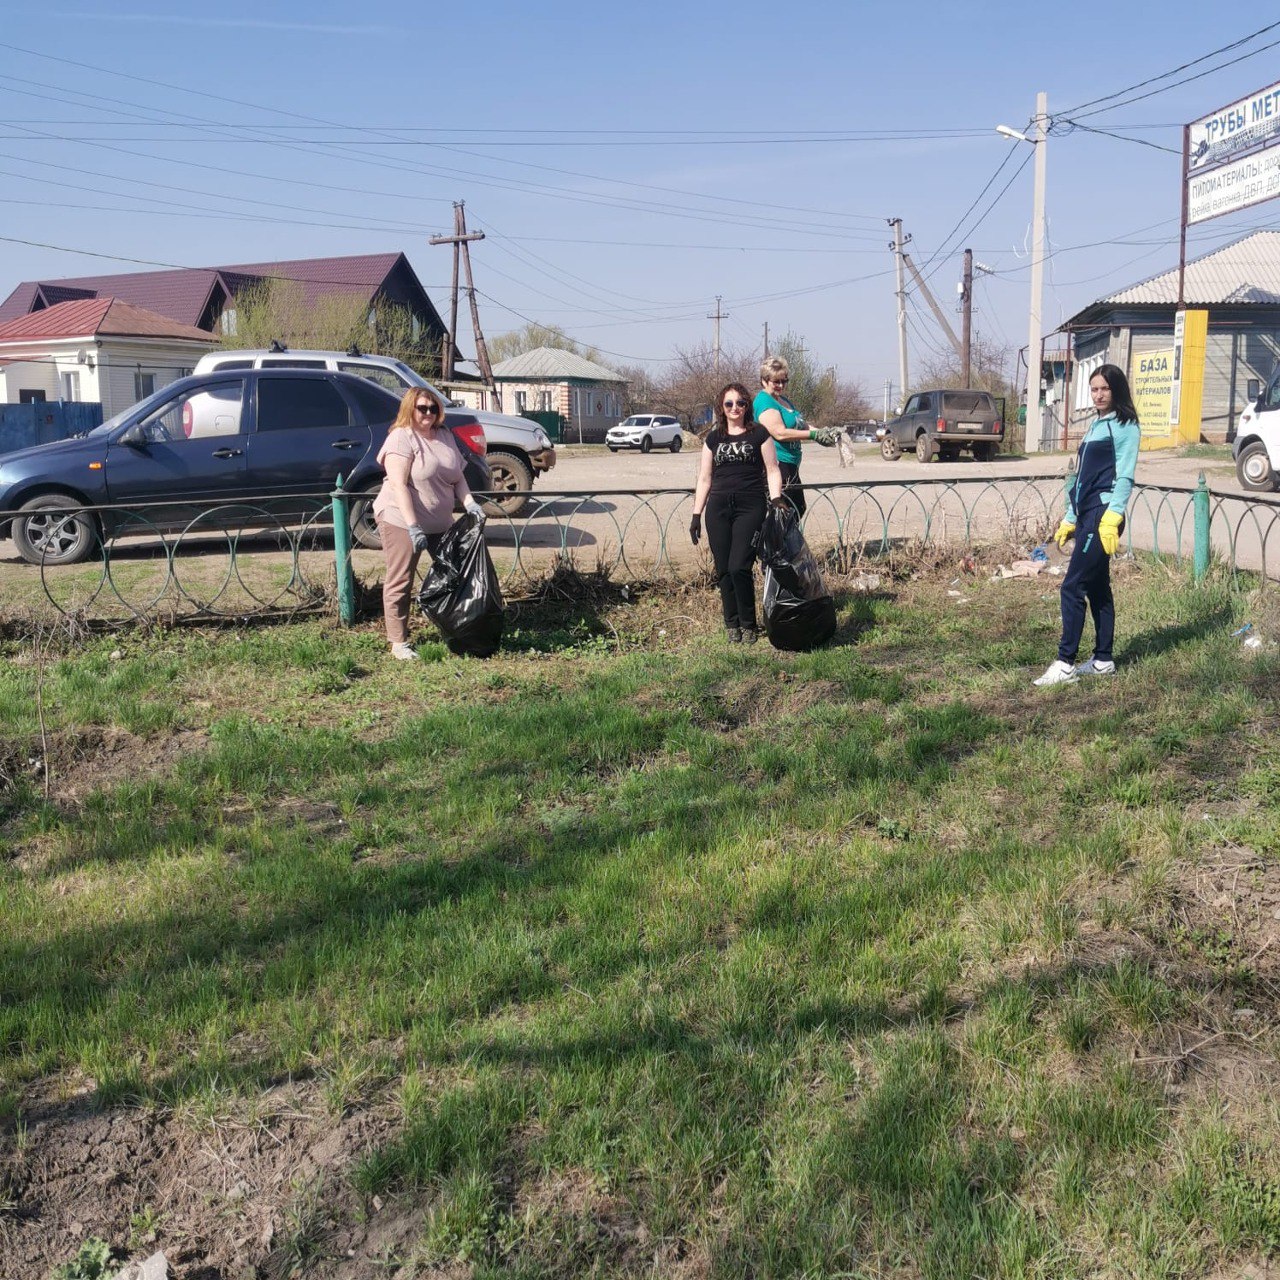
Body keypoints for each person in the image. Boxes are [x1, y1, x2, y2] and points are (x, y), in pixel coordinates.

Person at [1034, 363, 1141, 686]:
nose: (1098, 395)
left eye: (1104, 389)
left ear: (1117, 389)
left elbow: (1125, 474)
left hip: (1103, 514)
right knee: (1097, 586)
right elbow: (1083, 478)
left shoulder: (1126, 426)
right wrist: (1070, 517)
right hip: (1087, 514)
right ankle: (1103, 661)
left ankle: (1065, 663)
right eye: (1094, 389)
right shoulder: (1097, 425)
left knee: (1072, 585)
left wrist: (1113, 516)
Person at [374, 386, 486, 660]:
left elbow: (458, 477)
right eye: (422, 408)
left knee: (453, 574)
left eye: (433, 408)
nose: (428, 413)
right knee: (401, 579)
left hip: (441, 523)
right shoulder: (401, 438)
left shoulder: (445, 435)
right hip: (402, 520)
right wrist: (413, 526)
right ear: (409, 409)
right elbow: (399, 485)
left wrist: (470, 503)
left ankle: (456, 628)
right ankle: (398, 642)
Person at [690, 382, 785, 643]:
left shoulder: (759, 434)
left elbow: (773, 469)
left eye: (740, 403)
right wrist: (697, 514)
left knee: (739, 567)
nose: (735, 408)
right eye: (729, 403)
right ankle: (731, 624)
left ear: (747, 406)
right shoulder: (713, 438)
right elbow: (704, 478)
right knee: (723, 569)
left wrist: (775, 500)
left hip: (750, 507)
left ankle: (749, 624)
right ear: (722, 407)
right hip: (718, 508)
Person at [752, 355, 840, 517]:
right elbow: (780, 433)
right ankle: (776, 543)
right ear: (764, 380)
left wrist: (824, 433)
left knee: (797, 508)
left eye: (784, 381)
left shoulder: (783, 401)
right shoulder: (764, 402)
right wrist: (813, 435)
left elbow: (801, 425)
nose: (780, 385)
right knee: (781, 513)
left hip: (791, 464)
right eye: (776, 381)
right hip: (777, 466)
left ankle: (786, 541)